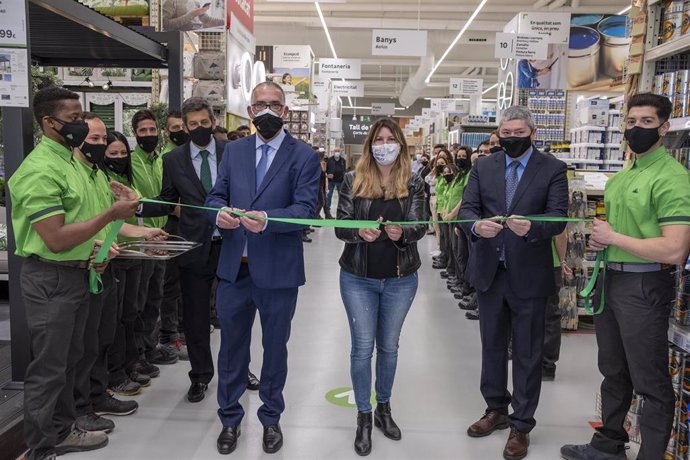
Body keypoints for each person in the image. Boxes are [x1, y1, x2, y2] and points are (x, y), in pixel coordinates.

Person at [7, 87, 138, 460]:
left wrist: (102, 241)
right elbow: (57, 238)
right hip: (51, 278)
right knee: (50, 365)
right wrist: (112, 215)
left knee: (70, 357)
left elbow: (84, 225)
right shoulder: (39, 170)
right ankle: (41, 442)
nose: (82, 125)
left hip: (80, 275)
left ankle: (63, 428)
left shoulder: (70, 162)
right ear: (49, 122)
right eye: (75, 118)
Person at [561, 93, 690, 460]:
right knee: (613, 369)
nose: (637, 129)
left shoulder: (673, 178)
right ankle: (609, 444)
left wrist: (613, 237)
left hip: (644, 285)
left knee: (650, 381)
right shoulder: (622, 177)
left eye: (647, 122)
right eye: (631, 122)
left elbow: (675, 250)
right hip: (611, 281)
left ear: (664, 128)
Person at [206, 81, 321, 455]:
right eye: (260, 105)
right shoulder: (234, 152)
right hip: (234, 269)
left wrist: (268, 220)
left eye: (274, 105)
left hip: (278, 271)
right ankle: (229, 419)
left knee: (275, 350)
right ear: (250, 110)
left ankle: (271, 419)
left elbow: (306, 210)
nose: (267, 111)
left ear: (285, 111)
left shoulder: (303, 155)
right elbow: (216, 195)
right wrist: (218, 214)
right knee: (231, 350)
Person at [458, 105, 568, 460]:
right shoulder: (483, 166)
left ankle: (522, 424)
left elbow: (558, 217)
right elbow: (466, 210)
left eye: (520, 133)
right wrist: (476, 226)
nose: (512, 139)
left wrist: (534, 228)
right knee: (491, 346)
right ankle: (495, 409)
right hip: (491, 273)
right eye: (507, 134)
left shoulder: (552, 169)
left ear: (532, 133)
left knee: (527, 352)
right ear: (499, 134)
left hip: (530, 275)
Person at [335, 118, 427, 456]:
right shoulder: (352, 180)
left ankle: (383, 408)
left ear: (400, 144)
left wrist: (403, 232)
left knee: (389, 347)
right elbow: (340, 224)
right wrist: (359, 232)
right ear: (369, 144)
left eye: (390, 139)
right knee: (362, 348)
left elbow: (420, 224)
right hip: (358, 277)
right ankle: (363, 415)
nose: (384, 144)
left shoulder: (414, 183)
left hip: (401, 278)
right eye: (378, 139)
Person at [73, 113, 168, 433]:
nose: (101, 146)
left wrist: (144, 233)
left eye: (104, 140)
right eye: (95, 140)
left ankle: (98, 394)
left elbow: (110, 221)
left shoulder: (98, 176)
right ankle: (78, 409)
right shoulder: (68, 174)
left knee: (103, 333)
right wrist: (97, 244)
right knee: (82, 343)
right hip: (75, 268)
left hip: (102, 264)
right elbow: (72, 226)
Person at [102, 131, 155, 396]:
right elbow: (112, 221)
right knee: (116, 319)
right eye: (113, 153)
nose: (120, 158)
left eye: (123, 153)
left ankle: (129, 363)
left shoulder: (127, 180)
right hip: (113, 255)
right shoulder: (103, 180)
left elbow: (138, 209)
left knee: (132, 312)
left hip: (135, 252)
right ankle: (114, 374)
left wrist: (146, 233)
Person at [129, 109, 179, 373]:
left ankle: (150, 346)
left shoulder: (163, 159)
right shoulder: (130, 161)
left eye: (151, 130)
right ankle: (137, 352)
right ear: (135, 134)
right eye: (142, 131)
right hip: (139, 241)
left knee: (155, 296)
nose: (148, 135)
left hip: (163, 236)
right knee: (138, 299)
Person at [542, 230, 570, 381]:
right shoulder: (555, 205)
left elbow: (561, 234)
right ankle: (547, 365)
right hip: (550, 262)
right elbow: (561, 234)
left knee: (542, 315)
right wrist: (562, 260)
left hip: (527, 264)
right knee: (550, 315)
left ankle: (542, 364)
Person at [325, 147, 346, 219]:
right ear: (333, 152)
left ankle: (341, 213)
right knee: (329, 197)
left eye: (338, 151)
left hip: (340, 181)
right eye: (336, 151)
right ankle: (328, 213)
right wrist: (328, 174)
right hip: (331, 181)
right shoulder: (329, 160)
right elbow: (326, 169)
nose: (337, 152)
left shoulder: (343, 160)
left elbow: (344, 170)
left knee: (341, 197)